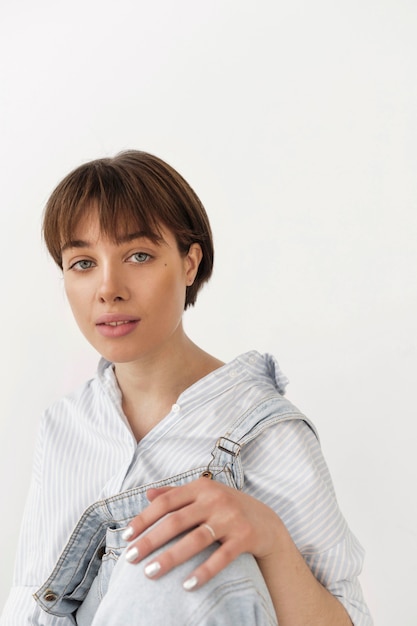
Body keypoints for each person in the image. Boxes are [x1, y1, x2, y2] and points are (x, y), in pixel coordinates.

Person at [0, 150, 372, 625]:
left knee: (182, 550)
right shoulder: (63, 426)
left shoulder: (264, 431)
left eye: (138, 255)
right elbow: (30, 605)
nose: (108, 288)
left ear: (189, 263)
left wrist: (270, 538)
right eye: (83, 263)